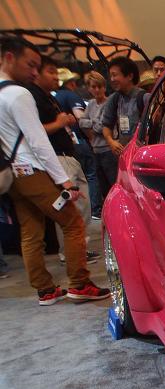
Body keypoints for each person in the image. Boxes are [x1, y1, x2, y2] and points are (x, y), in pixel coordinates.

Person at [0, 36, 108, 304]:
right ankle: (80, 283)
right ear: (10, 57)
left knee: (31, 231)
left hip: (14, 174)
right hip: (32, 171)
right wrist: (64, 181)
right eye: (31, 64)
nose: (34, 72)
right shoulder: (18, 94)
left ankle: (45, 289)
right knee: (72, 222)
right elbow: (37, 140)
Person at [30, 55, 97, 263]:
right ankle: (70, 253)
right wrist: (59, 123)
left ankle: (77, 249)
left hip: (68, 155)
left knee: (81, 206)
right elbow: (33, 132)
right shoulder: (32, 97)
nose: (55, 76)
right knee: (70, 208)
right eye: (50, 71)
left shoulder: (48, 97)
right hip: (57, 158)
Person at [55, 67, 102, 220]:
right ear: (71, 83)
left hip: (63, 148)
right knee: (91, 174)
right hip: (79, 142)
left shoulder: (53, 97)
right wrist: (92, 138)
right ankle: (95, 210)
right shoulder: (71, 96)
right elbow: (80, 118)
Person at [98, 57, 146, 187]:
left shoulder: (144, 97)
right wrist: (111, 141)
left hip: (142, 158)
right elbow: (106, 125)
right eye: (111, 76)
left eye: (115, 75)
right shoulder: (114, 99)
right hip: (124, 157)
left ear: (130, 76)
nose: (112, 79)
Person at [78, 71, 115, 197]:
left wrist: (91, 124)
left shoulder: (109, 103)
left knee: (113, 183)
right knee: (102, 186)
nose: (97, 90)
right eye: (93, 87)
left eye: (100, 86)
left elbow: (100, 128)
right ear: (89, 88)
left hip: (108, 150)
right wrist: (94, 122)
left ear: (104, 87)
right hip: (95, 150)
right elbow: (81, 123)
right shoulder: (91, 103)